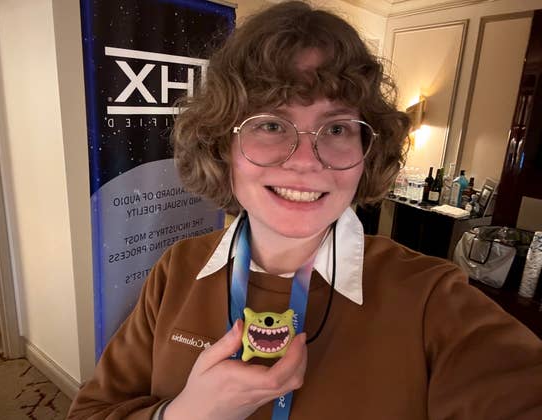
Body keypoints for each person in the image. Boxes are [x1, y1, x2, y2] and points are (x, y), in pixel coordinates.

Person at [68, 2, 542, 419]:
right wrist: (185, 414)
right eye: (272, 124)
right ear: (221, 145)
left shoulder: (431, 299)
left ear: (367, 152)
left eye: (336, 129)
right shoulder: (177, 268)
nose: (305, 160)